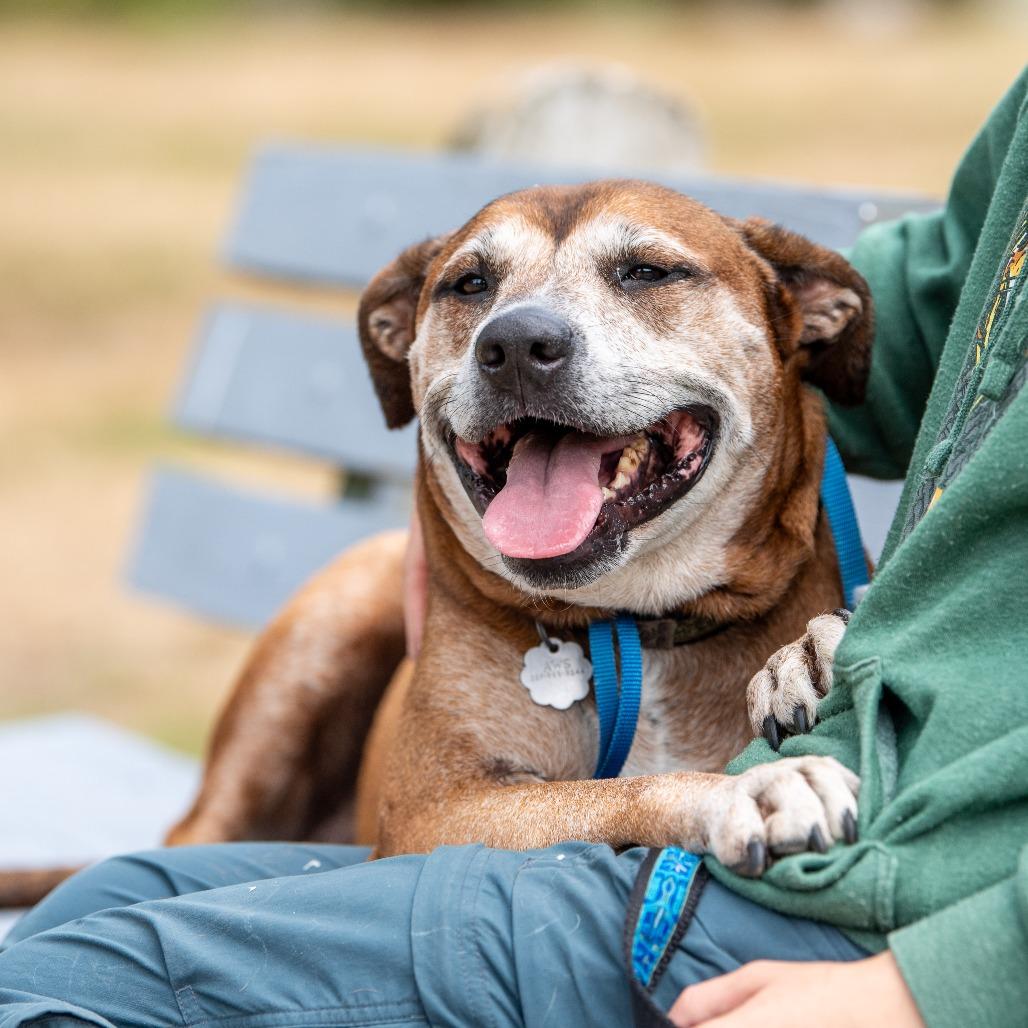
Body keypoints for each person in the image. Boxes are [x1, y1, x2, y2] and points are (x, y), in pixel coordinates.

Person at [1, 67, 1026, 1028]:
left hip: (824, 900)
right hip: (444, 847)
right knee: (102, 903)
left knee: (65, 976)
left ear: (793, 328)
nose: (521, 331)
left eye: (643, 272)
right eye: (471, 295)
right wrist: (466, 487)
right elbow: (952, 286)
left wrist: (939, 982)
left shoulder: (809, 623)